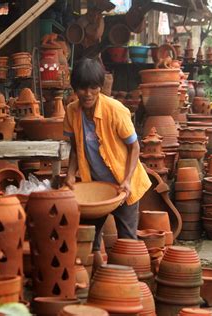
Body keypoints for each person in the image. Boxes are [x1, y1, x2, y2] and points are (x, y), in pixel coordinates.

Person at [63, 58, 151, 268]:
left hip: (123, 186)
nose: (88, 93)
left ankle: (127, 286)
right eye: (82, 88)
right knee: (88, 238)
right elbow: (75, 147)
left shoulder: (115, 110)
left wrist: (127, 181)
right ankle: (94, 280)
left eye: (93, 87)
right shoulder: (71, 111)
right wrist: (69, 174)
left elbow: (135, 147)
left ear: (100, 87)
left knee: (127, 241)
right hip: (95, 187)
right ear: (75, 88)